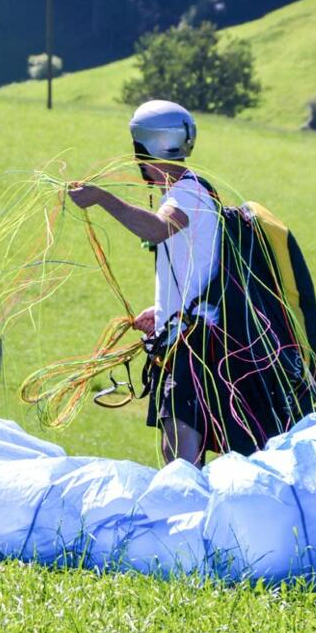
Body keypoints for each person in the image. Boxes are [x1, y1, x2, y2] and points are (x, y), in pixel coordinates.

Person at [68, 100, 222, 467]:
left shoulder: (188, 193)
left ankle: (189, 518)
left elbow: (156, 228)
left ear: (146, 147)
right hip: (180, 335)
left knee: (182, 452)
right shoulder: (191, 191)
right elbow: (192, 267)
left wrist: (103, 199)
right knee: (175, 447)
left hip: (192, 345)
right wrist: (162, 311)